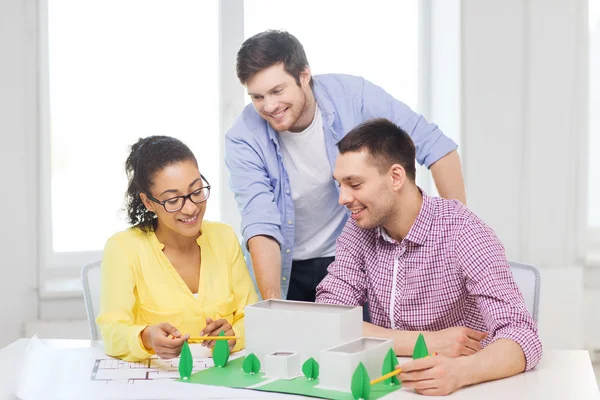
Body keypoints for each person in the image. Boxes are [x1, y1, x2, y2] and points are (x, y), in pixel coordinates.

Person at [225, 30, 466, 303]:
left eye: (277, 91)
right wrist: (272, 305)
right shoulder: (243, 137)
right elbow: (260, 223)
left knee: (360, 341)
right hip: (285, 266)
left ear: (304, 75)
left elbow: (437, 147)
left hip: (352, 258)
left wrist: (458, 240)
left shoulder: (354, 96)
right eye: (257, 97)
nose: (269, 106)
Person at [315, 119, 542, 396]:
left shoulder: (464, 231)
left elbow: (522, 335)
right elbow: (328, 319)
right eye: (340, 185)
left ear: (396, 177)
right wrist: (423, 341)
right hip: (390, 383)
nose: (343, 198)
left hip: (461, 386)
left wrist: (460, 373)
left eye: (355, 184)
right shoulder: (358, 227)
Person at [96, 136, 258, 361]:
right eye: (172, 200)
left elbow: (251, 318)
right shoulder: (123, 248)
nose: (191, 208)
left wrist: (234, 335)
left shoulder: (224, 237)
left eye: (197, 191)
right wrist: (145, 337)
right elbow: (111, 333)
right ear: (148, 202)